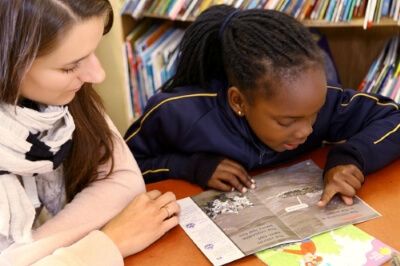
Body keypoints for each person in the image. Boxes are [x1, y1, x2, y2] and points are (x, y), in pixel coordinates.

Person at [125, 5, 400, 208]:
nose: (306, 129)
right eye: (286, 121)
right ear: (239, 102)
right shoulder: (177, 112)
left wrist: (350, 159)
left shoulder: (317, 99)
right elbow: (124, 169)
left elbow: (393, 117)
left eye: (314, 112)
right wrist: (192, 166)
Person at [0, 1, 179, 265]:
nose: (98, 74)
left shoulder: (64, 96)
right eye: (69, 67)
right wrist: (109, 242)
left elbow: (124, 183)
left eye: (94, 51)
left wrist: (23, 257)